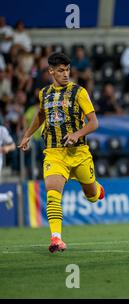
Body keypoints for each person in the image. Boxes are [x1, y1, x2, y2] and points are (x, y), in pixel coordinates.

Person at [18, 52, 105, 253]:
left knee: (91, 194)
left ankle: (96, 188)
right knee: (52, 193)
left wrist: (77, 133)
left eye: (67, 70)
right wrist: (27, 135)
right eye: (60, 71)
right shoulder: (44, 93)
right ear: (51, 71)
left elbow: (94, 123)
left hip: (79, 152)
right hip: (54, 153)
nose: (65, 74)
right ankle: (56, 239)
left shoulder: (79, 92)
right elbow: (41, 115)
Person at [0, 124, 15, 209]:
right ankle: (6, 197)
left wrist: (6, 148)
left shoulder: (2, 130)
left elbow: (12, 146)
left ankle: (6, 197)